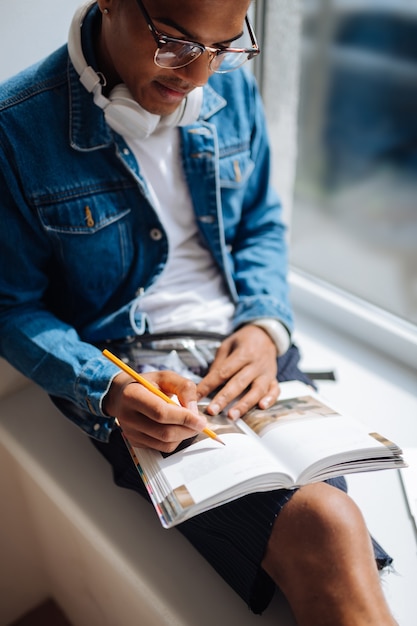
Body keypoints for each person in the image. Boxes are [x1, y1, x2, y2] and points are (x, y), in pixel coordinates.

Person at [0, 1, 397, 624]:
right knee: (325, 525)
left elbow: (260, 227)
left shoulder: (232, 86)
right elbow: (11, 308)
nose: (199, 73)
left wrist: (266, 325)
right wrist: (106, 389)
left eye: (224, 44)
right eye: (176, 41)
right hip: (134, 376)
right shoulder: (14, 129)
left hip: (246, 348)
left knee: (328, 523)